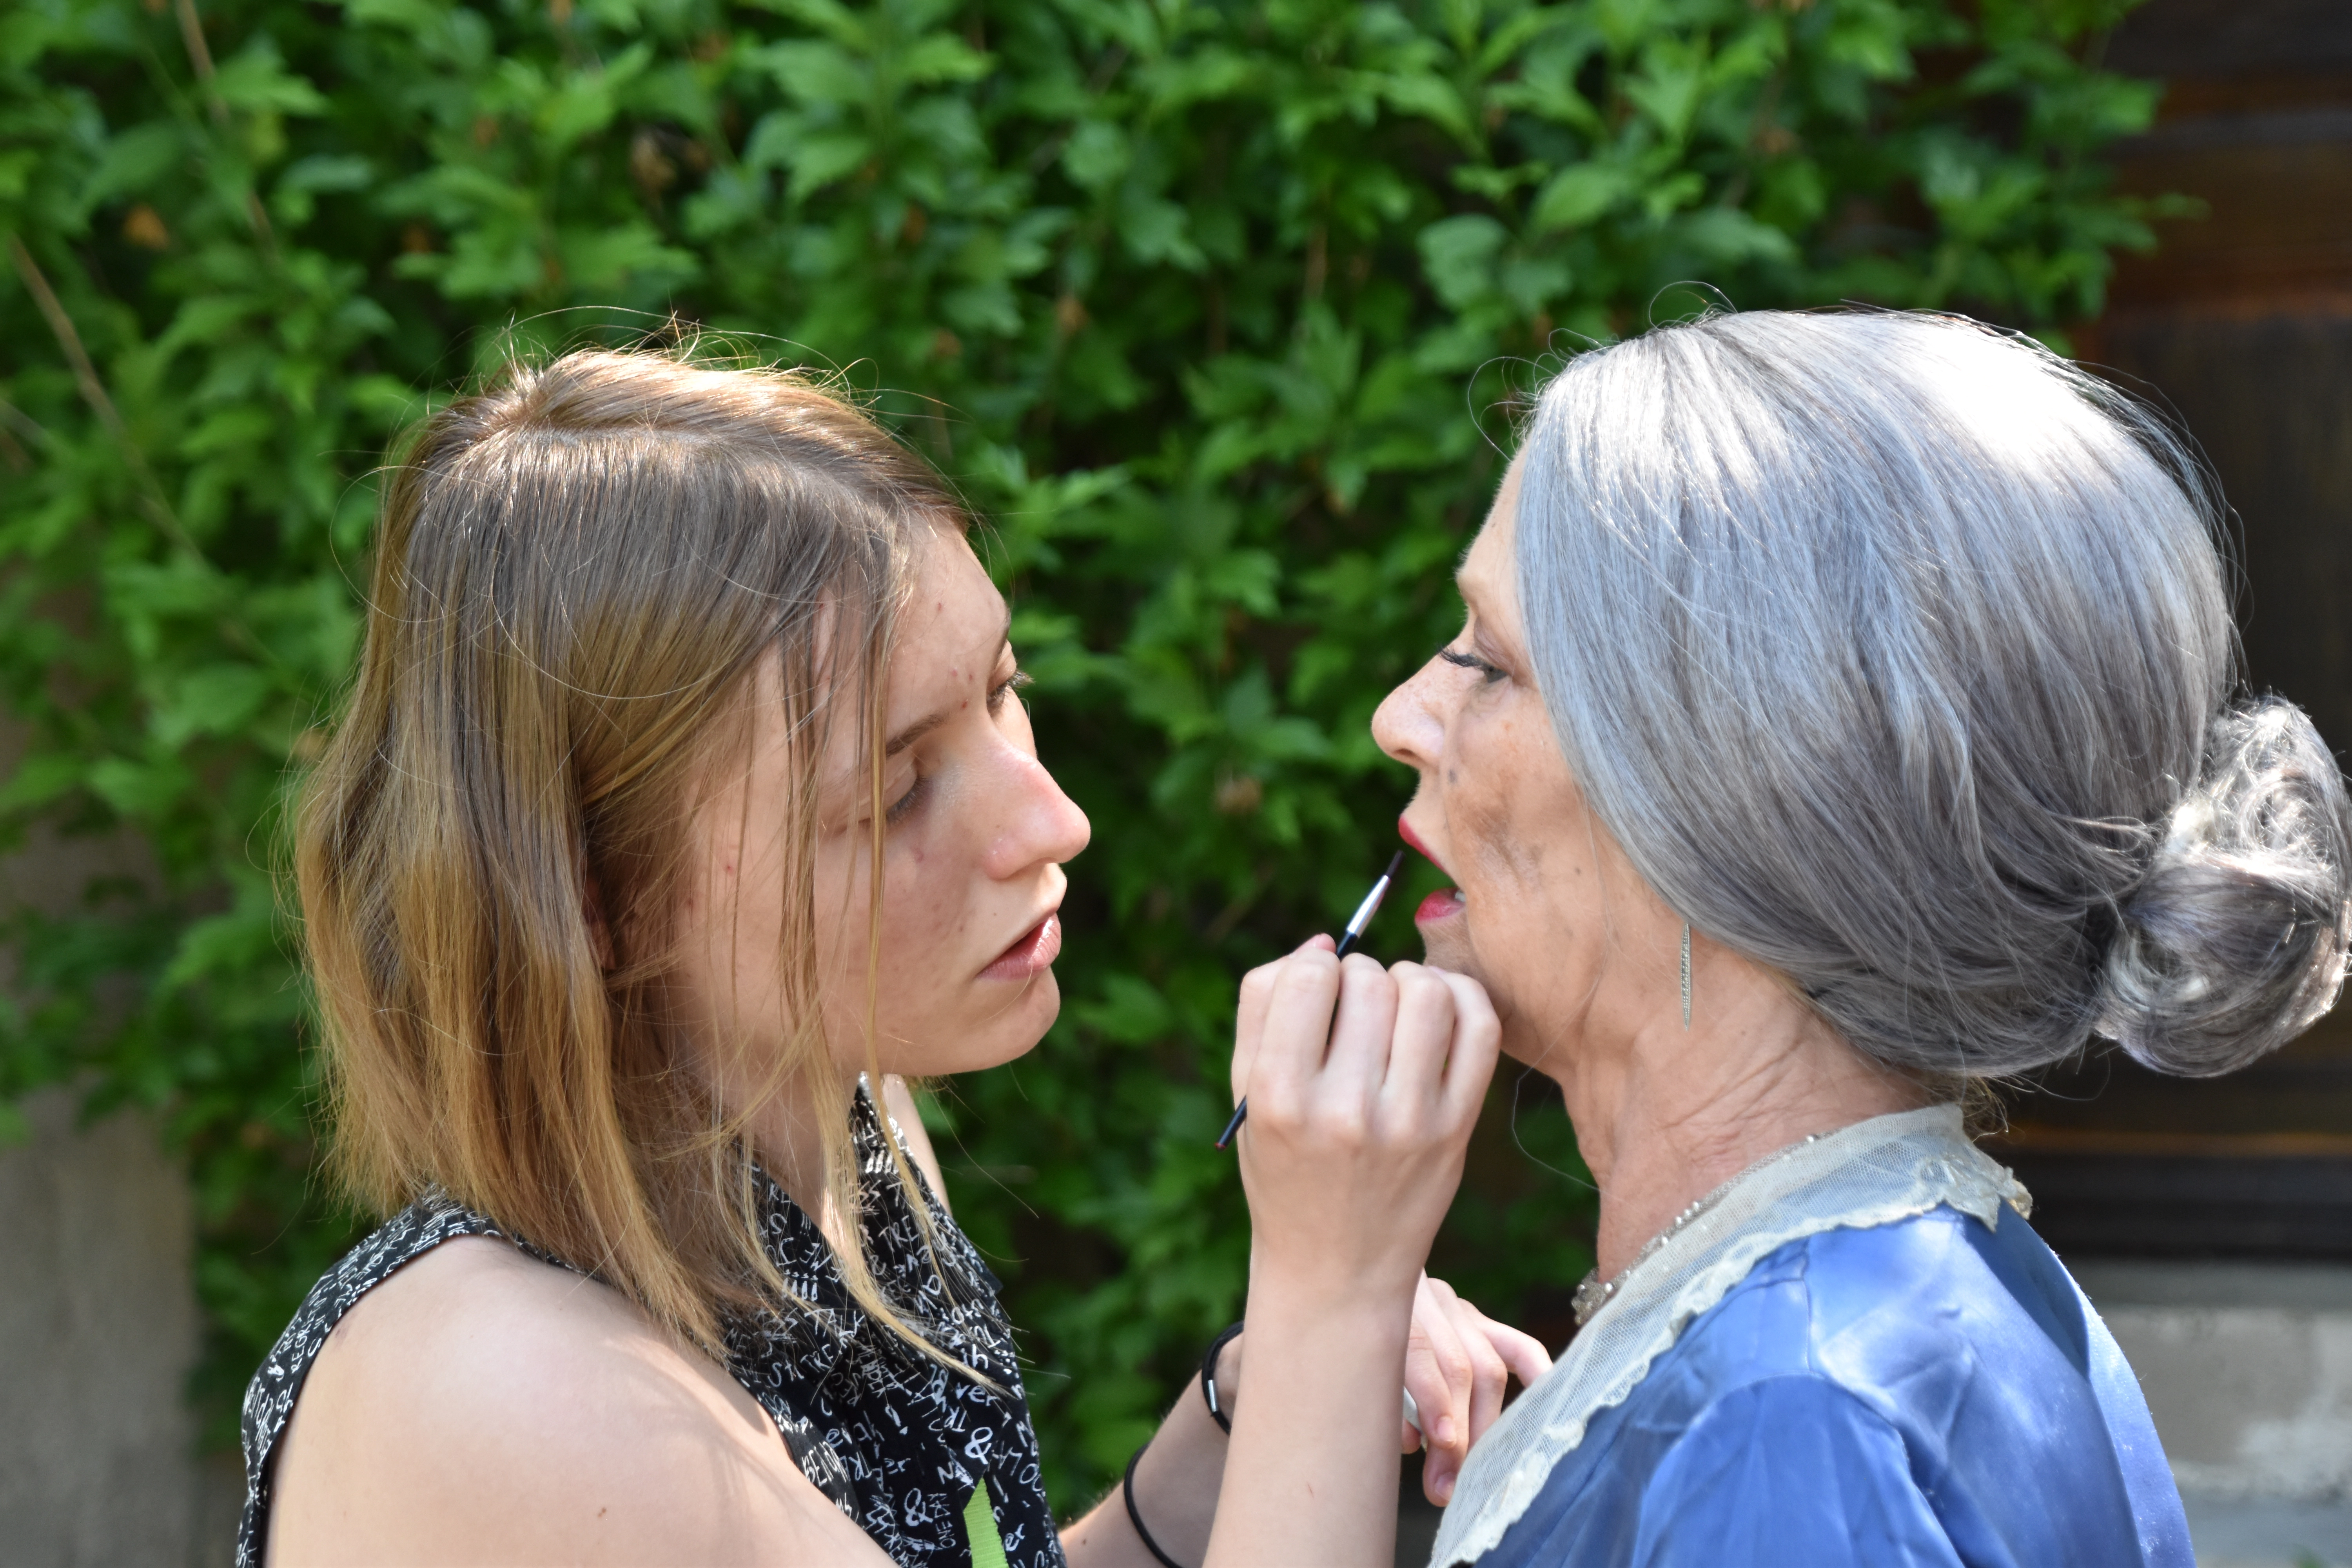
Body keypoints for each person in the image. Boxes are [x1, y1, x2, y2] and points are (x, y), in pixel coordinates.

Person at [239, 348, 1549, 1568]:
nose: (1054, 820)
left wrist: (1232, 1424)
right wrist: (1333, 1303)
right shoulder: (512, 1396)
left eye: (1000, 687)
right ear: (599, 906)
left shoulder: (836, 1120)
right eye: (894, 789)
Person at [1304, 308, 2352, 1566]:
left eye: (1491, 664)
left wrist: (1322, 1303)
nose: (1401, 717)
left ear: (1721, 801)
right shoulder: (1833, 1319)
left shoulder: (1793, 1414)